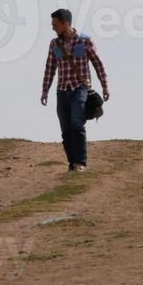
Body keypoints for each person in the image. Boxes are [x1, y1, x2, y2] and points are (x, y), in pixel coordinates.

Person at [40, 9, 110, 172]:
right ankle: (72, 163)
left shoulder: (84, 41)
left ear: (66, 23)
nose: (53, 28)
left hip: (80, 88)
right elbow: (50, 69)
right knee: (66, 130)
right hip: (62, 90)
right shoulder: (54, 44)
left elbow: (97, 63)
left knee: (77, 124)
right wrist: (45, 91)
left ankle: (81, 163)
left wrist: (104, 85)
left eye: (55, 25)